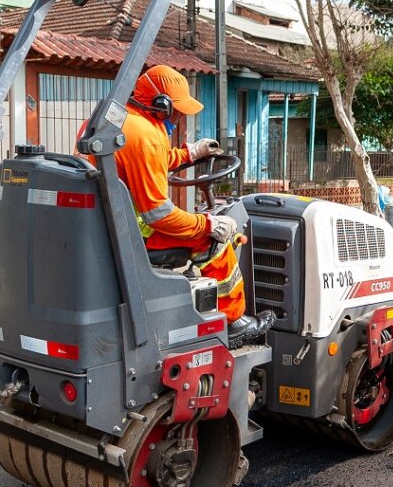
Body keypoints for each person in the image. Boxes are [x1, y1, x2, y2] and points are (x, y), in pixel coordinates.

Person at [102, 65, 274, 340]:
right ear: (161, 105)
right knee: (216, 240)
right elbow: (158, 215)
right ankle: (233, 323)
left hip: (109, 226)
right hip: (135, 233)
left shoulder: (118, 121)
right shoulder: (145, 136)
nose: (180, 116)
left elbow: (149, 162)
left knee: (198, 225)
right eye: (178, 110)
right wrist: (208, 224)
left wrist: (191, 153)